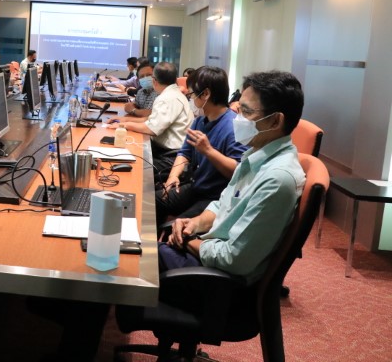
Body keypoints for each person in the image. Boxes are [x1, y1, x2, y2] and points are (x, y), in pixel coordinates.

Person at [162, 70, 305, 283]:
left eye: (246, 112)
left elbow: (233, 259)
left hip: (221, 280)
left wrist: (188, 241)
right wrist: (195, 223)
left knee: (141, 261)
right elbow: (223, 205)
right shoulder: (255, 154)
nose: (237, 119)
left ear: (275, 121)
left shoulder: (277, 179)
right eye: (238, 109)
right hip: (210, 252)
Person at [155, 66, 248, 227]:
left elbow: (238, 171)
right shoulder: (200, 121)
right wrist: (173, 176)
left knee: (177, 228)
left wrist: (209, 151)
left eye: (192, 95)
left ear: (205, 94)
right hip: (196, 187)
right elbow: (184, 153)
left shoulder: (233, 127)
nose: (191, 99)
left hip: (215, 198)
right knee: (152, 202)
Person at [117, 62, 192, 180]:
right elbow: (152, 120)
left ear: (154, 80)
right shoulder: (173, 94)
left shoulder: (167, 98)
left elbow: (151, 128)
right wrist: (126, 121)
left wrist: (125, 125)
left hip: (171, 157)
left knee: (133, 167)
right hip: (169, 153)